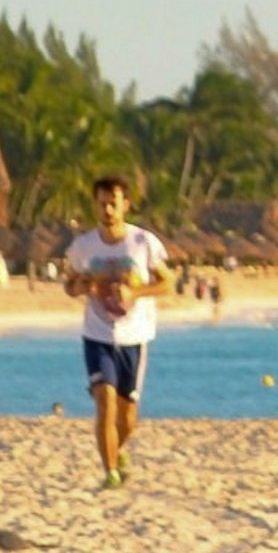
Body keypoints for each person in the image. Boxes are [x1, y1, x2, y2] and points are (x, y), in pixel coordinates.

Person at [63, 174, 169, 487]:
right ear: (95, 205)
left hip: (135, 338)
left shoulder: (143, 243)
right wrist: (78, 286)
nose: (108, 210)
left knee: (128, 420)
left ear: (126, 205)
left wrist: (136, 294)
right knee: (105, 402)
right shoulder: (83, 246)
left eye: (114, 204)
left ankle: (118, 450)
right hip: (97, 337)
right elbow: (69, 285)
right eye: (103, 204)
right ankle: (110, 473)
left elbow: (167, 283)